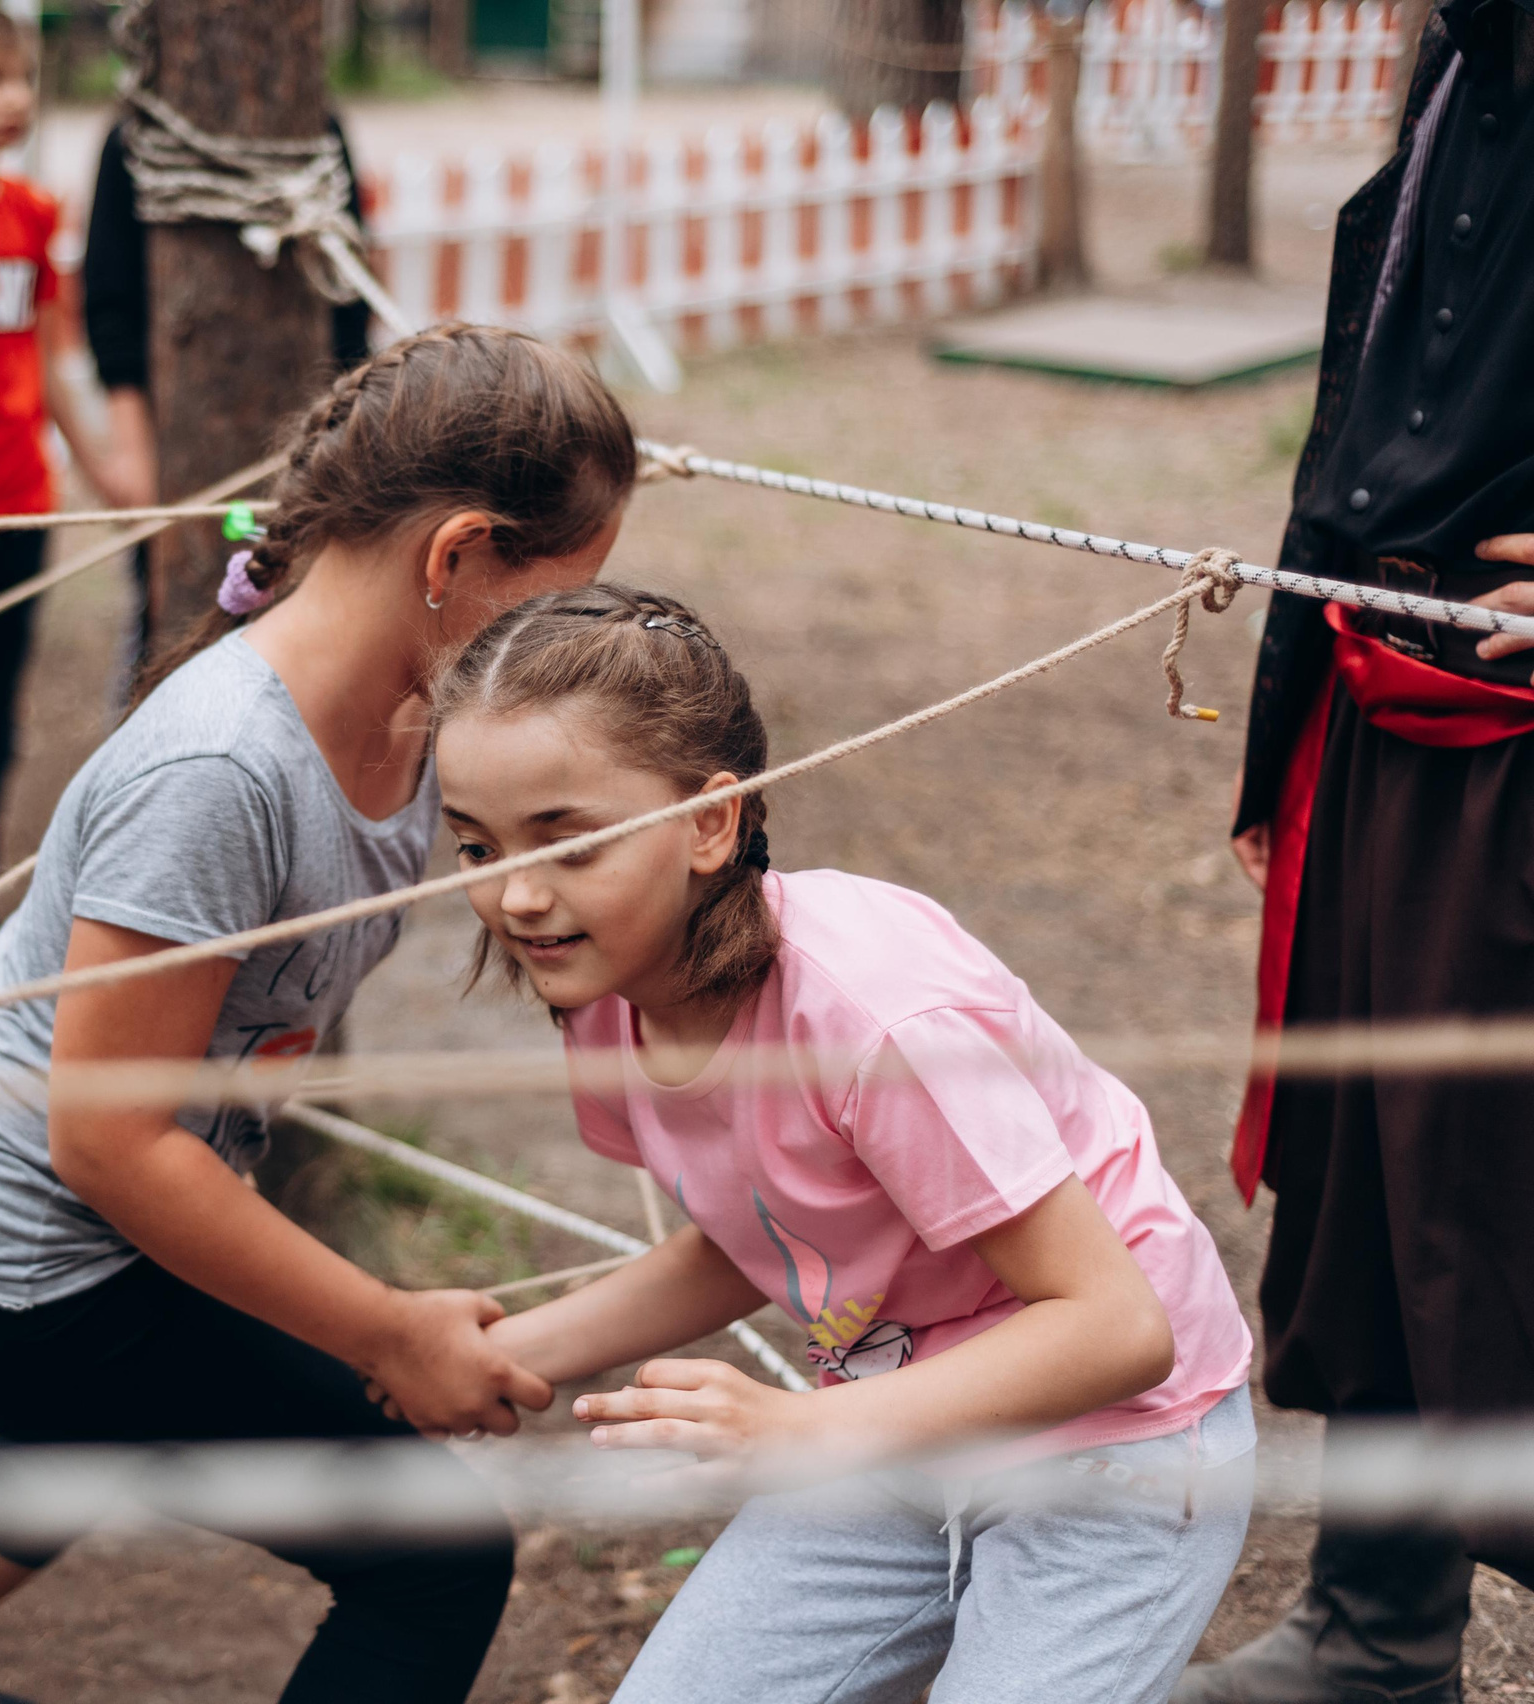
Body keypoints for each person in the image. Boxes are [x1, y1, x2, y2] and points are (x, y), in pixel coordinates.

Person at [0, 326, 634, 1704]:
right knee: (436, 1556)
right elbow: (111, 1147)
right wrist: (382, 1329)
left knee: (125, 1412)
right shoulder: (218, 770)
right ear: (453, 559)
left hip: (53, 1219)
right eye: (553, 600)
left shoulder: (421, 708)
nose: (556, 644)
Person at [428, 584, 1258, 1704]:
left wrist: (794, 1427)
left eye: (569, 844)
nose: (516, 896)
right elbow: (758, 1233)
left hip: (1106, 1444)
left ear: (710, 823)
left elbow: (1116, 1328)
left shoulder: (874, 1016)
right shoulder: (603, 986)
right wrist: (508, 1351)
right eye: (476, 845)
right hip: (891, 1428)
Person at [1182, 5, 1534, 1700]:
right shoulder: (1466, 38)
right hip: (1392, 685)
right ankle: (1381, 1618)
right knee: (1387, 1185)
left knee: (1508, 1206)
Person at [0, 0, 127, 931]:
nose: (15, 101)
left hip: (14, 501)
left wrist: (107, 473)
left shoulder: (33, 214)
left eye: (24, 82)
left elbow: (51, 366)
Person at [79, 98, 373, 687]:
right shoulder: (136, 140)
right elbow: (108, 306)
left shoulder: (316, 129)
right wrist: (133, 448)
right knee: (170, 624)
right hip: (174, 445)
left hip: (309, 438)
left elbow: (350, 289)